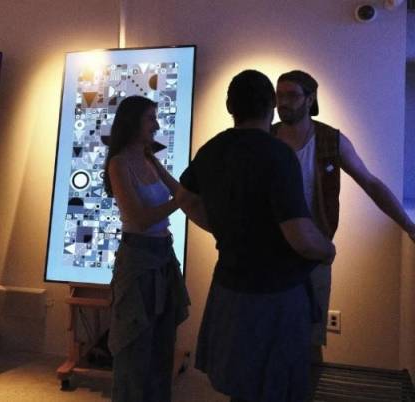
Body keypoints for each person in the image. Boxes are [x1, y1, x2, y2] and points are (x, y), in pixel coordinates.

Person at [176, 70, 336, 402]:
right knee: (278, 388)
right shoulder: (278, 154)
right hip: (276, 294)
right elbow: (299, 236)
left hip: (229, 288)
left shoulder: (212, 149)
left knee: (241, 387)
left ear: (229, 106)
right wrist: (327, 249)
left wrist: (222, 227)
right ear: (271, 106)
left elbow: (186, 199)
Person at [272, 70, 415, 360]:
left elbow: (370, 183)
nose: (283, 102)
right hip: (270, 252)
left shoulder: (329, 140)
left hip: (314, 253)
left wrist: (408, 225)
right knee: (268, 336)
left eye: (292, 95)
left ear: (310, 99)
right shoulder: (266, 138)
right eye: (279, 95)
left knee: (310, 340)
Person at [104, 95, 191, 402]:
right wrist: (179, 202)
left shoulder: (149, 159)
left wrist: (186, 195)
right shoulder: (118, 164)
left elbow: (179, 190)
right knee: (135, 344)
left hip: (163, 256)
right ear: (133, 122)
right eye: (150, 118)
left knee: (161, 345)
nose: (156, 125)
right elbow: (140, 219)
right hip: (138, 261)